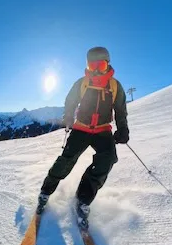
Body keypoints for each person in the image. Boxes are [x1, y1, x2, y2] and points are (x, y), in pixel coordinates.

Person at [36, 46, 129, 227]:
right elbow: (70, 100)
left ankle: (83, 199)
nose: (95, 70)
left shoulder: (115, 86)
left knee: (108, 159)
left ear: (107, 65)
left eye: (100, 65)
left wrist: (123, 129)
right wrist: (68, 116)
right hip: (82, 128)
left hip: (102, 130)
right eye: (91, 65)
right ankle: (46, 191)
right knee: (66, 160)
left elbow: (120, 110)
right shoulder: (82, 83)